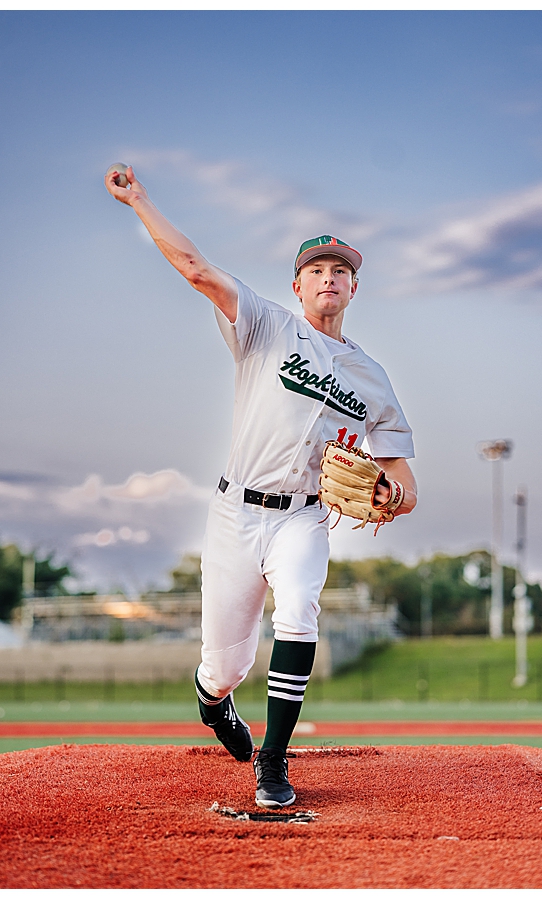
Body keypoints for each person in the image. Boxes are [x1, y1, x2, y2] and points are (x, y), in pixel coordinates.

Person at [106, 165, 416, 808]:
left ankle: (271, 762)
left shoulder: (372, 378)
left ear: (354, 288)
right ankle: (213, 703)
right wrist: (139, 200)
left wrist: (393, 493)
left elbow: (403, 479)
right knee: (225, 668)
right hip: (234, 514)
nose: (328, 278)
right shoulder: (268, 327)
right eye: (317, 270)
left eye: (340, 271)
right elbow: (194, 268)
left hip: (305, 517)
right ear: (297, 286)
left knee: (300, 611)